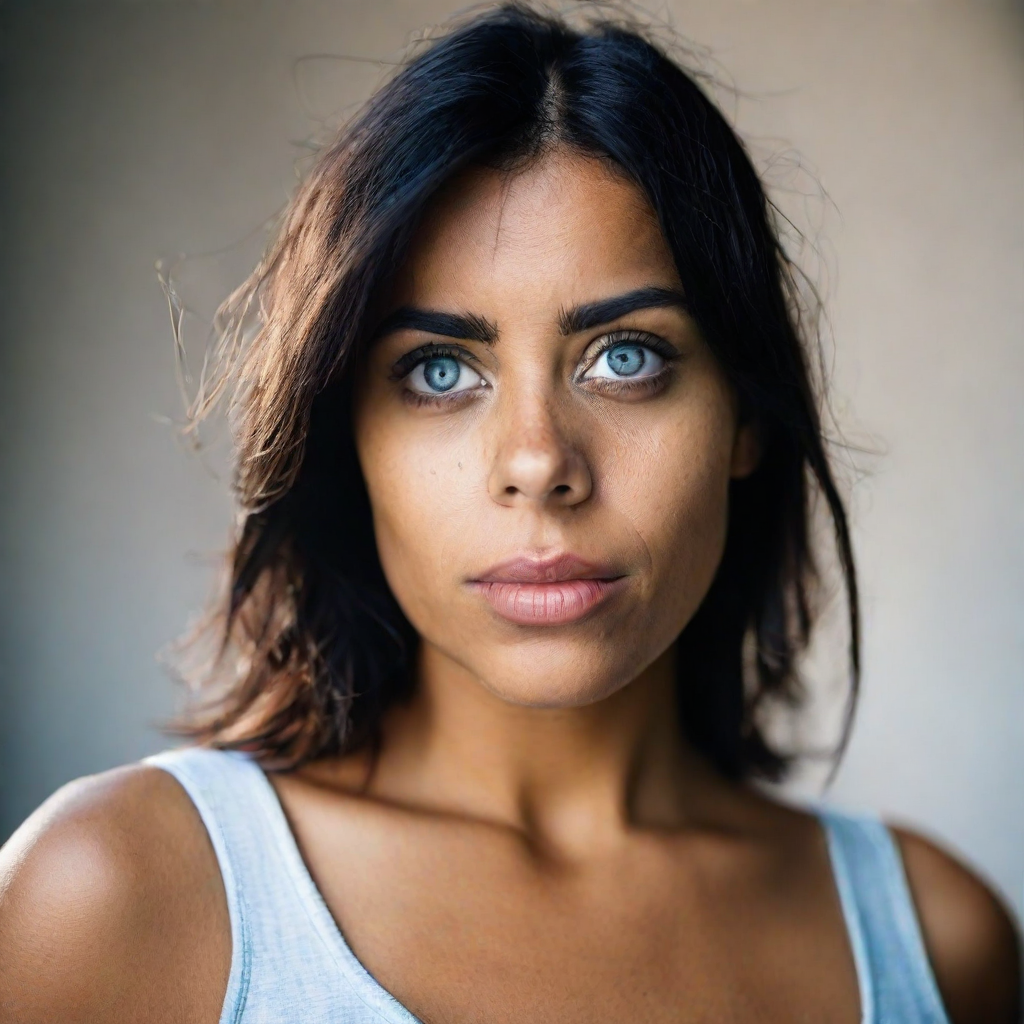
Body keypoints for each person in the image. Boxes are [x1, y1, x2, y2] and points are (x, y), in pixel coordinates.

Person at [0, 4, 1018, 1022]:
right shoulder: (118, 899)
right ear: (347, 435)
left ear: (745, 415)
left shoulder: (937, 944)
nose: (538, 462)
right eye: (439, 370)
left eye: (626, 358)